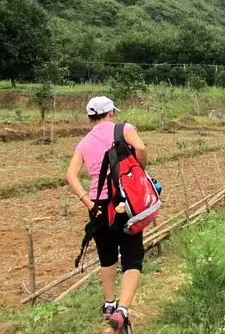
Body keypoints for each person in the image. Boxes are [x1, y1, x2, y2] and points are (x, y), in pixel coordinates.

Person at [65, 96, 149, 334]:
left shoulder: (84, 142)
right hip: (123, 201)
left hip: (98, 207)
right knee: (132, 257)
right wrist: (140, 168)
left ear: (91, 117)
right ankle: (122, 311)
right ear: (111, 112)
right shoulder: (124, 129)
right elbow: (141, 148)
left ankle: (109, 303)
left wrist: (88, 202)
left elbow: (70, 175)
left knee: (107, 256)